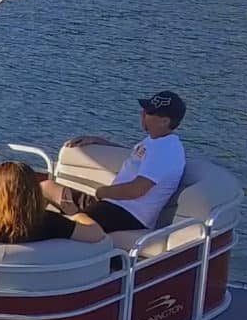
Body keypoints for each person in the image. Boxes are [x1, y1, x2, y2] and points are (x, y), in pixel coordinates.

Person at [44, 90, 188, 234]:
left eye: (149, 112)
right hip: (110, 204)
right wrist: (98, 141)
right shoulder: (155, 142)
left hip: (127, 215)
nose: (142, 114)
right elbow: (136, 157)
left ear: (165, 121)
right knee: (44, 187)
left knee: (51, 222)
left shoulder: (167, 149)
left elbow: (136, 190)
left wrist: (102, 192)